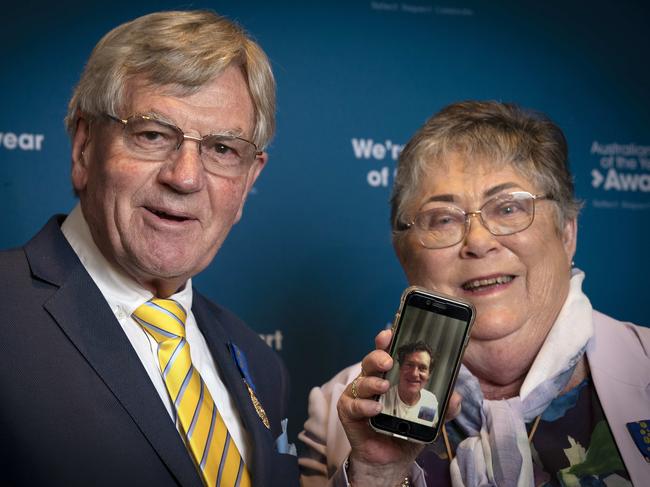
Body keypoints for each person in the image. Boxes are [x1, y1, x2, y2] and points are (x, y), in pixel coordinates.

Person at [0, 11, 298, 487]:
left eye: (222, 149)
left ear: (248, 180)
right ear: (83, 147)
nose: (184, 177)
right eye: (152, 135)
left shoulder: (261, 364)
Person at [299, 101, 649, 487]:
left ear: (567, 231)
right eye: (444, 218)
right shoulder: (336, 411)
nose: (479, 242)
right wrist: (377, 474)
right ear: (404, 254)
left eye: (510, 208)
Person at [380, 342, 439, 426]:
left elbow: (425, 427)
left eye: (422, 368)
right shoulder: (382, 399)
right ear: (400, 368)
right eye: (409, 365)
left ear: (429, 375)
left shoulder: (430, 401)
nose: (414, 374)